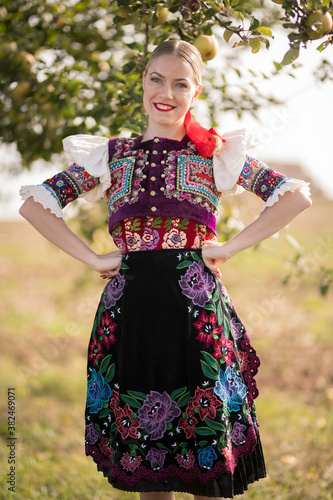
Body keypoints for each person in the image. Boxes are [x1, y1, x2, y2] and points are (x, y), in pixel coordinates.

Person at [19, 39, 311, 499]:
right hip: (130, 316)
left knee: (207, 464)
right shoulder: (110, 157)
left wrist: (231, 247)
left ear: (195, 91)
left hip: (197, 316)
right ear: (143, 83)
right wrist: (93, 258)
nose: (166, 92)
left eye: (180, 83)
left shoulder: (214, 153)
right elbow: (36, 206)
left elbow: (294, 196)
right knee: (148, 463)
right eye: (157, 79)